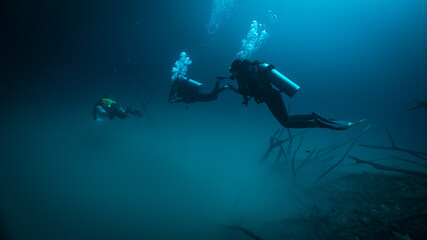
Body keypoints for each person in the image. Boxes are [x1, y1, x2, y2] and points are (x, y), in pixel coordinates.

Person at [225, 59, 365, 130]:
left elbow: (247, 92)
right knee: (288, 118)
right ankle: (313, 116)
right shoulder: (253, 71)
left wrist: (231, 88)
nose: (233, 74)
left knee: (286, 123)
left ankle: (315, 123)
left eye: (233, 71)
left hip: (270, 97)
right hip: (273, 95)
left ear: (236, 69)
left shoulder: (243, 76)